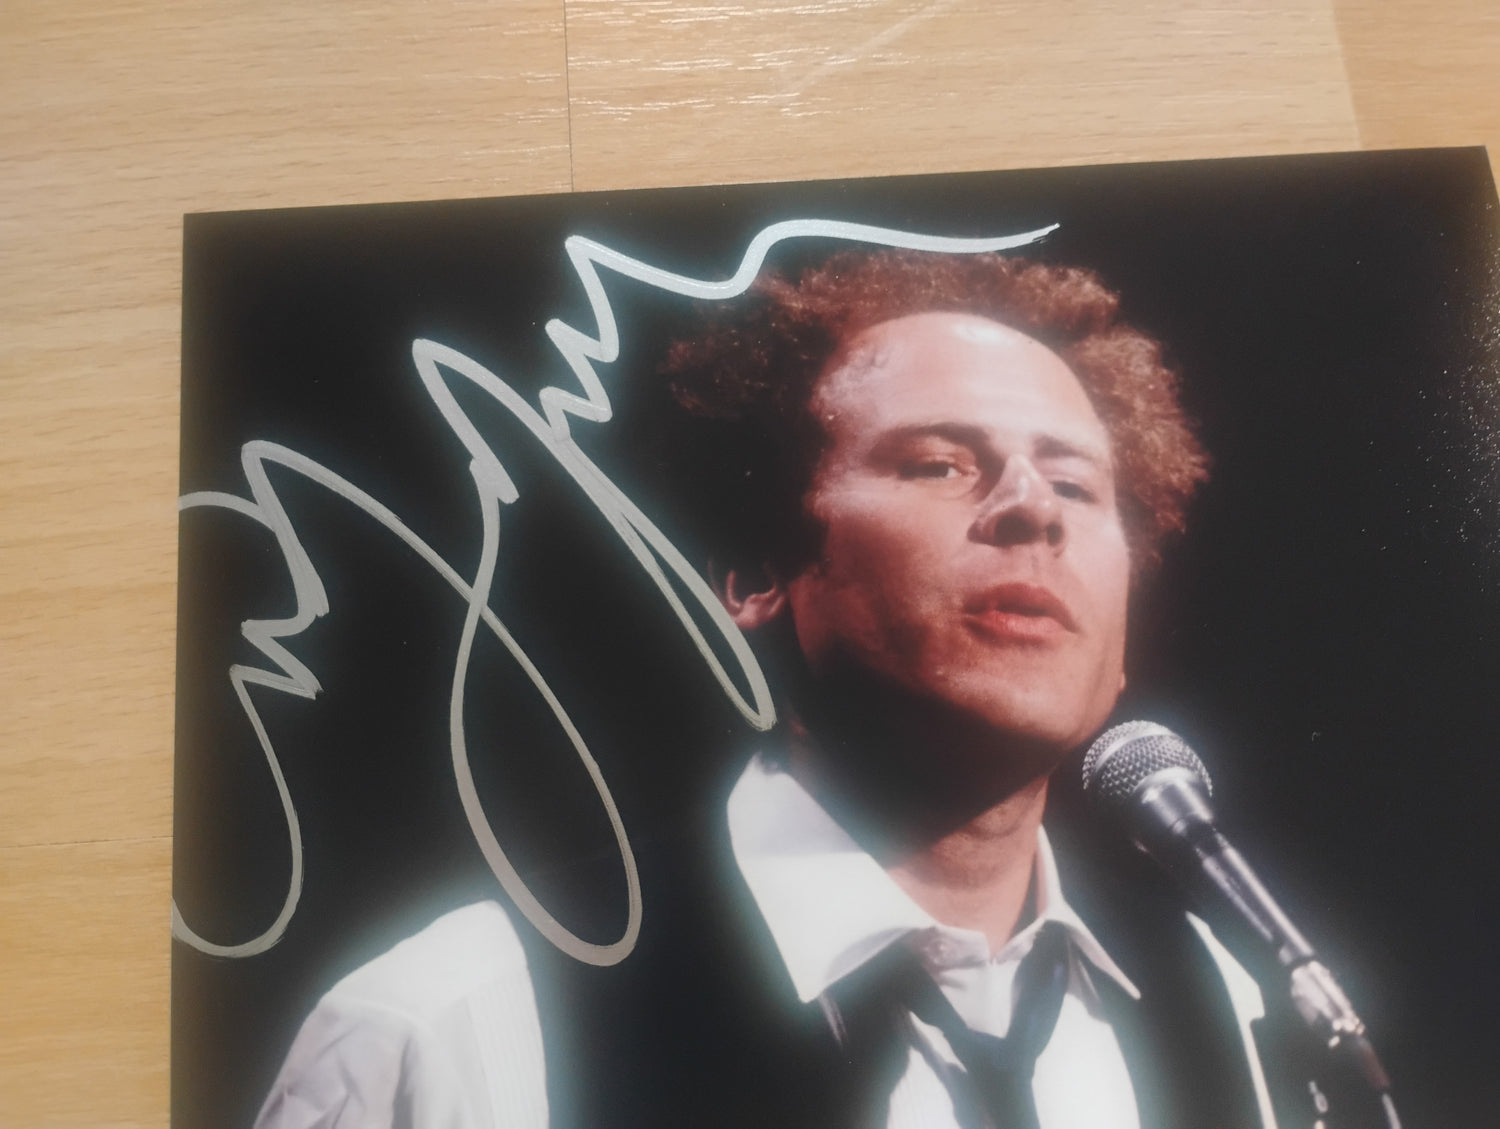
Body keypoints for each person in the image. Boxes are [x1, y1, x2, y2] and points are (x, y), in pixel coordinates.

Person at [256, 249, 1280, 1129]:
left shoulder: (1226, 1010)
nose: (1032, 509)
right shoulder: (450, 1021)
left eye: (1077, 485)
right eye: (939, 464)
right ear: (755, 573)